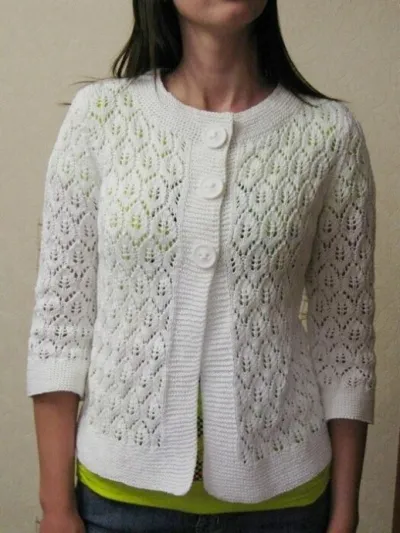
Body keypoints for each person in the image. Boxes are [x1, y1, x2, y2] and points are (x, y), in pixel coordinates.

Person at [27, 1, 377, 532]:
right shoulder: (100, 117)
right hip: (120, 505)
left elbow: (345, 346)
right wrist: (56, 507)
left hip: (284, 505)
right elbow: (60, 327)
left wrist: (345, 513)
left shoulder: (329, 134)